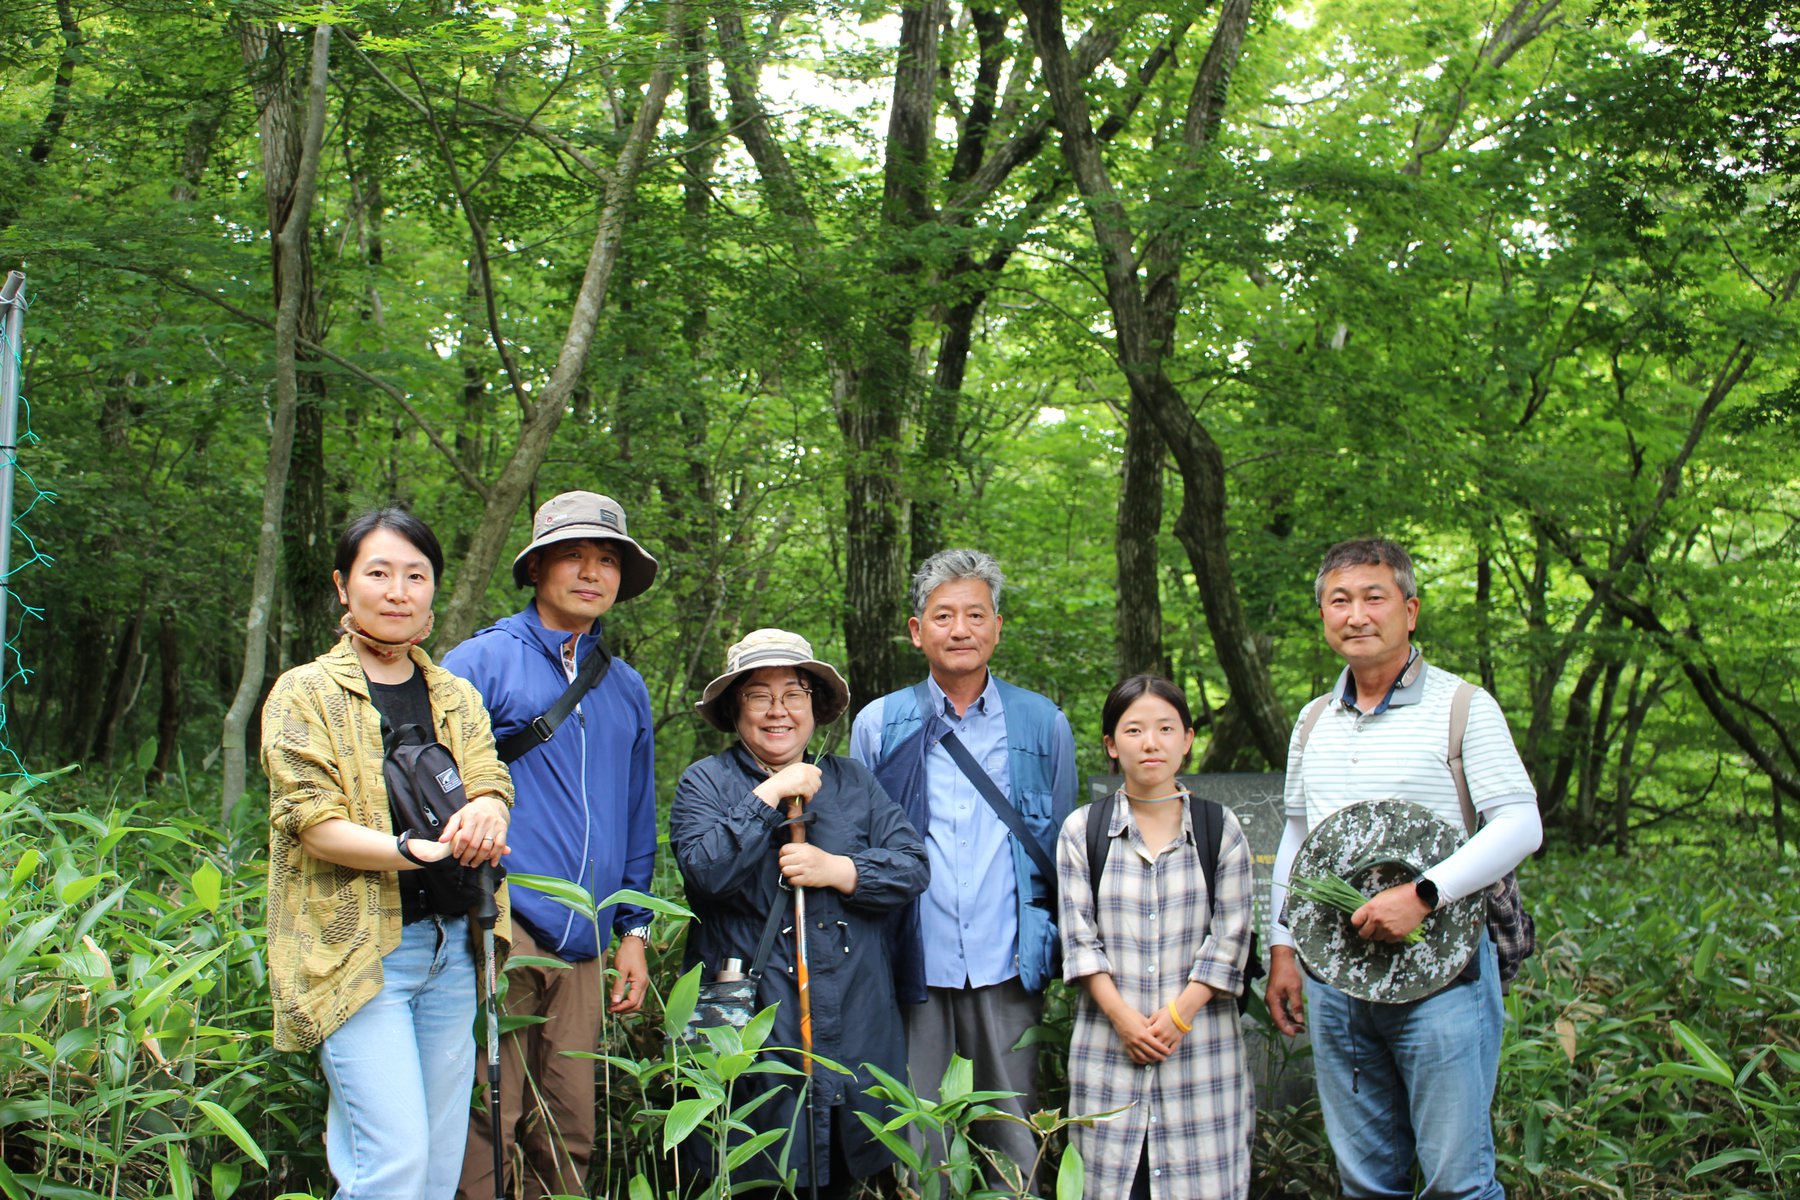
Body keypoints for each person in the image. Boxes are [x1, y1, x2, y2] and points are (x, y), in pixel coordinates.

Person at [1266, 538, 1543, 1200]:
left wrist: (1422, 894)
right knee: (1365, 1182)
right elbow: (1297, 837)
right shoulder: (1312, 722)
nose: (1356, 614)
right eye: (1339, 600)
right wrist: (1281, 948)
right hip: (1337, 983)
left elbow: (1520, 824)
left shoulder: (1462, 706)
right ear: (1324, 616)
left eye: (1374, 597)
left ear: (1410, 610)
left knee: (1457, 1184)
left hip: (1444, 980)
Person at [264, 509, 513, 1200]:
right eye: (378, 573)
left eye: (415, 575)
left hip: (456, 949)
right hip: (360, 955)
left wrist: (488, 809)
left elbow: (489, 777)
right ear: (344, 586)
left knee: (435, 1171)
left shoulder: (455, 695)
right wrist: (419, 850)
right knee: (391, 1164)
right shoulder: (304, 691)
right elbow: (312, 821)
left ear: (433, 590)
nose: (397, 590)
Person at [447, 491, 659, 1200]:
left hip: (590, 943)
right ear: (537, 566)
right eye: (573, 556)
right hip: (505, 922)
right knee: (488, 1115)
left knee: (569, 1125)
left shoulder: (624, 687)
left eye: (607, 560)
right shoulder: (480, 662)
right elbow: (432, 788)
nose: (592, 572)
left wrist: (633, 931)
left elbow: (636, 815)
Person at [670, 629, 929, 1197]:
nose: (777, 711)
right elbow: (705, 873)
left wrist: (839, 870)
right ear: (735, 707)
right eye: (758, 695)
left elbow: (912, 866)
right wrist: (769, 796)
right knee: (740, 1159)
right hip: (742, 1006)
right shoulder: (704, 783)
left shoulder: (853, 783)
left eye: (793, 693)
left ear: (814, 704)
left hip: (852, 1010)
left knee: (844, 1161)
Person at [850, 549, 1076, 1184]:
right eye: (943, 615)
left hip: (1008, 960)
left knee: (1013, 1134)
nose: (960, 629)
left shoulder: (1043, 723)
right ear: (917, 631)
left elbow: (1056, 843)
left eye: (975, 614)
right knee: (919, 1139)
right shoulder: (879, 723)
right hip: (911, 961)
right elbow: (860, 846)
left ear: (997, 627)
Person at [1057, 675, 1255, 1200]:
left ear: (1187, 738)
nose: (1151, 743)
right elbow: (1079, 940)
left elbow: (1231, 936)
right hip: (1108, 1058)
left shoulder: (1220, 829)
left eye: (1166, 728)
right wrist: (1125, 1020)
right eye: (1135, 729)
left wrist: (1177, 1016)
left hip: (1201, 1060)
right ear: (1110, 744)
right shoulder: (1084, 830)